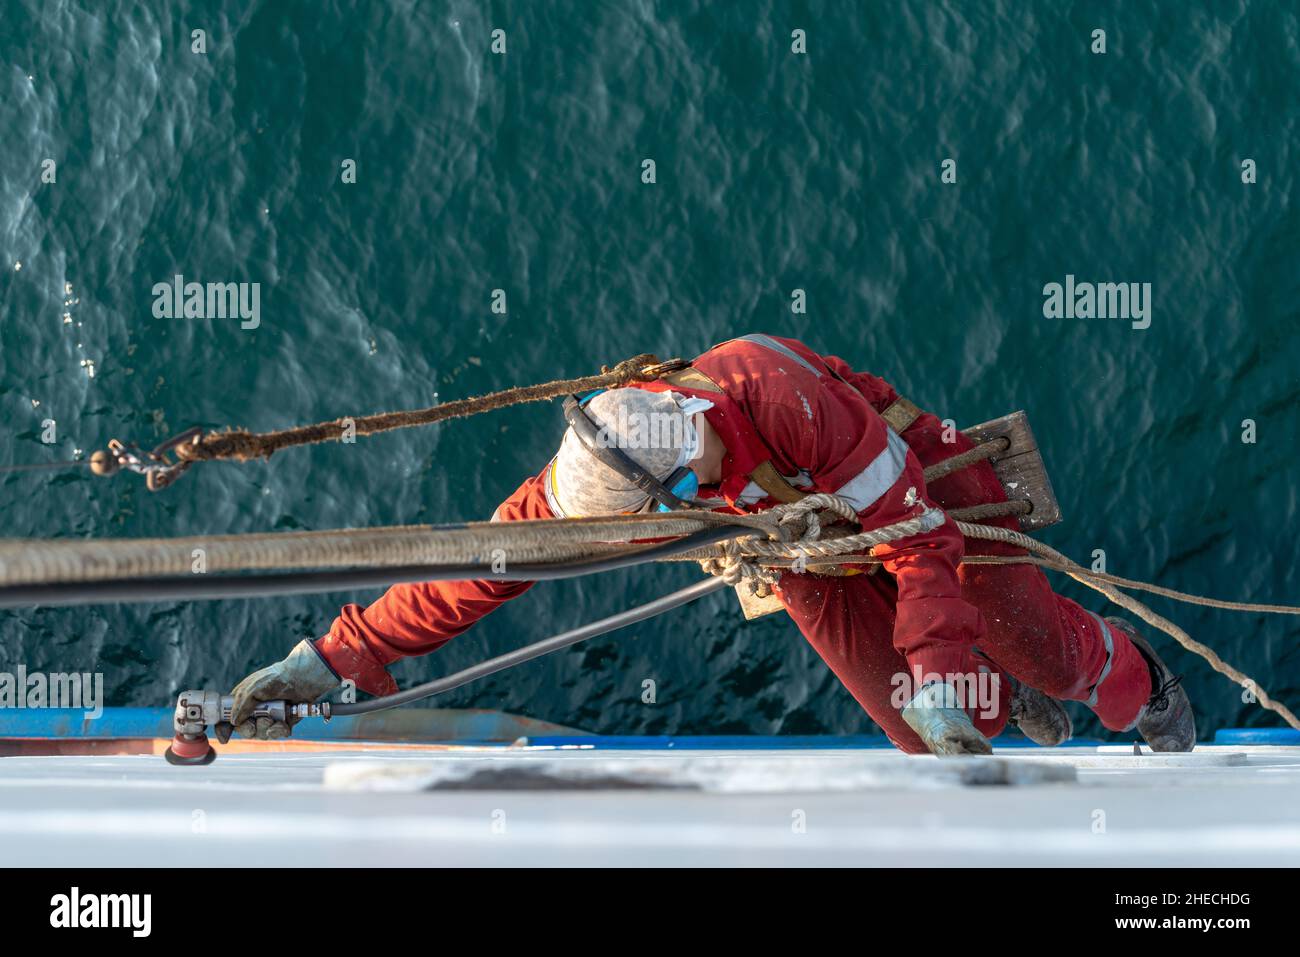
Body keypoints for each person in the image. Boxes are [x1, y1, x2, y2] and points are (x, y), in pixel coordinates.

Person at [225, 334, 1194, 755]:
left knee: (1046, 655)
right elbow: (478, 574)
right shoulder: (600, 471)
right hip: (804, 553)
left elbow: (919, 541)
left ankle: (1144, 687)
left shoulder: (787, 402)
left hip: (918, 508)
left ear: (682, 480)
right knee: (916, 732)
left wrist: (940, 665)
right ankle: (987, 689)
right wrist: (332, 660)